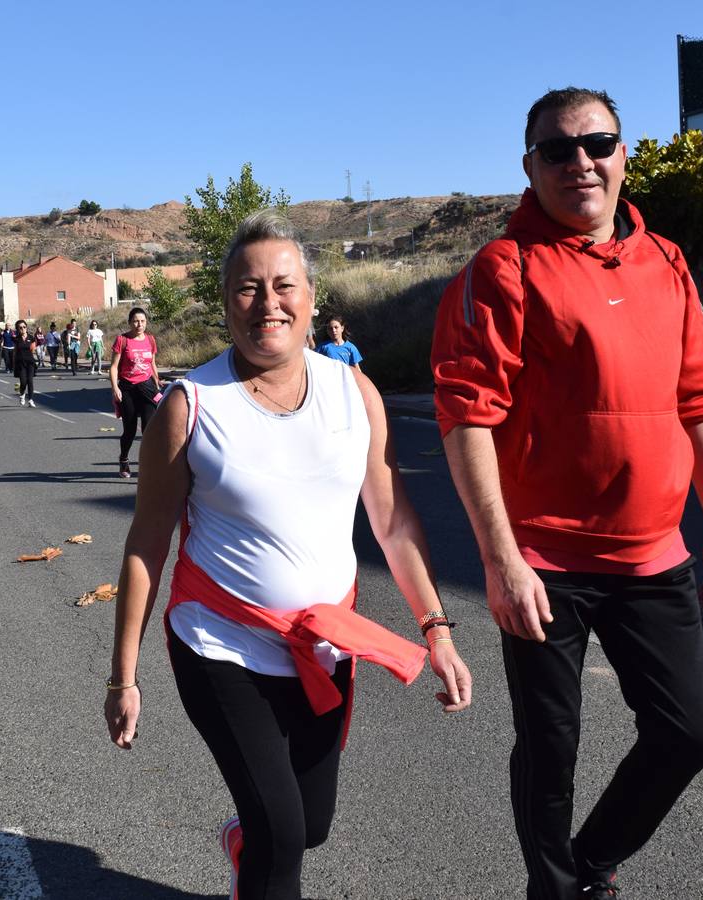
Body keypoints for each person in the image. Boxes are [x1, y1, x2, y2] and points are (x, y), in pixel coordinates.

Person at [431, 87, 703, 900]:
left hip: (652, 555)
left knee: (685, 735)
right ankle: (555, 888)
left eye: (597, 144)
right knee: (550, 745)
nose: (581, 163)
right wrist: (501, 564)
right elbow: (467, 421)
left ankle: (588, 859)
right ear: (530, 167)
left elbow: (700, 399)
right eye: (558, 151)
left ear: (622, 154)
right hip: (546, 561)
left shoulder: (666, 260)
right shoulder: (504, 269)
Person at [105, 211, 472, 900]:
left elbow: (392, 523)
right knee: (279, 837)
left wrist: (437, 630)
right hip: (220, 646)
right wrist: (122, 678)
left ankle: (243, 841)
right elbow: (146, 544)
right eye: (247, 288)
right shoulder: (188, 408)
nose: (266, 304)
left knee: (308, 826)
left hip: (322, 648)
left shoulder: (352, 393)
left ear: (310, 297)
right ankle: (258, 846)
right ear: (224, 302)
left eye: (283, 285)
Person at [109, 308, 162, 478]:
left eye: (143, 321)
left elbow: (152, 364)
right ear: (130, 322)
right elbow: (114, 367)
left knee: (149, 429)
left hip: (147, 388)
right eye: (136, 321)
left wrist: (157, 381)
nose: (139, 324)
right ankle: (124, 460)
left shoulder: (150, 340)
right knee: (130, 430)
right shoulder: (122, 340)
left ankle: (147, 464)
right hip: (128, 389)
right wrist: (115, 388)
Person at [12, 320, 39, 407]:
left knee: (30, 381)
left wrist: (36, 358)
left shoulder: (31, 337)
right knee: (23, 382)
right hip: (20, 363)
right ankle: (22, 394)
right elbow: (15, 351)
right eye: (20, 328)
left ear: (26, 327)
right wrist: (13, 363)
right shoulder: (16, 339)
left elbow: (33, 350)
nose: (23, 329)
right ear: (18, 329)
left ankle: (30, 399)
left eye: (24, 327)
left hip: (30, 362)